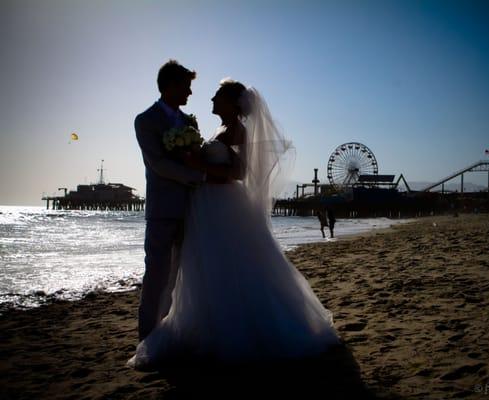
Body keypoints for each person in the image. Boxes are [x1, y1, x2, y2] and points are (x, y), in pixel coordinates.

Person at [128, 78, 339, 370]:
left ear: (231, 102)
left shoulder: (237, 131)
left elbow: (239, 172)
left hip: (223, 205)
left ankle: (230, 330)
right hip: (206, 205)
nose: (211, 99)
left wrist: (196, 165)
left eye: (217, 96)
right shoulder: (220, 129)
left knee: (228, 265)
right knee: (209, 267)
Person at [134, 60, 206, 341]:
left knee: (181, 276)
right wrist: (196, 176)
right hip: (162, 209)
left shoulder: (189, 122)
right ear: (170, 86)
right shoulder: (146, 120)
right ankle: (147, 336)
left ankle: (173, 332)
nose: (190, 93)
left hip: (192, 209)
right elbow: (158, 163)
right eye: (186, 86)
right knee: (156, 275)